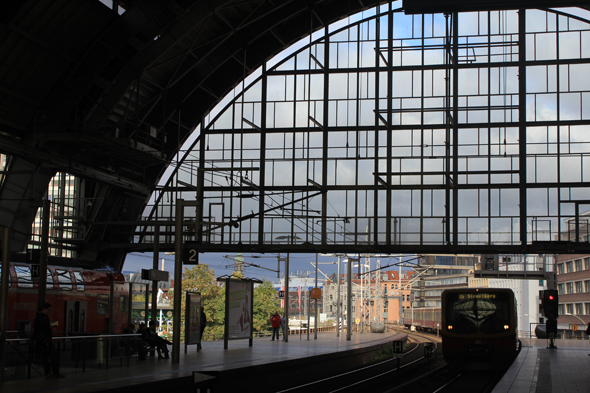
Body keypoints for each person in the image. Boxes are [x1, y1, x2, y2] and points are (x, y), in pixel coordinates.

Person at [33, 303, 64, 378]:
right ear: (44, 308)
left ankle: (54, 372)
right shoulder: (38, 318)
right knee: (47, 357)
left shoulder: (45, 317)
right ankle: (50, 373)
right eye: (48, 310)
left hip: (47, 339)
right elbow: (38, 329)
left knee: (52, 356)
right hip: (43, 340)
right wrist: (48, 327)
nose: (49, 312)